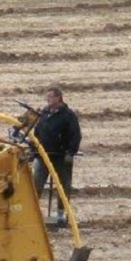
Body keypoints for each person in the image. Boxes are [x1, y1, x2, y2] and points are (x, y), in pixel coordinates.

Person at [29, 87, 81, 223]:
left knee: (63, 186)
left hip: (60, 157)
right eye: (47, 97)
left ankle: (61, 214)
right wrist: (33, 149)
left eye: (51, 97)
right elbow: (37, 133)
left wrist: (70, 152)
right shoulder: (44, 114)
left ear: (59, 98)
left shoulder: (68, 115)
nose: (48, 100)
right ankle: (32, 212)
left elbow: (75, 135)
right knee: (36, 183)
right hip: (43, 156)